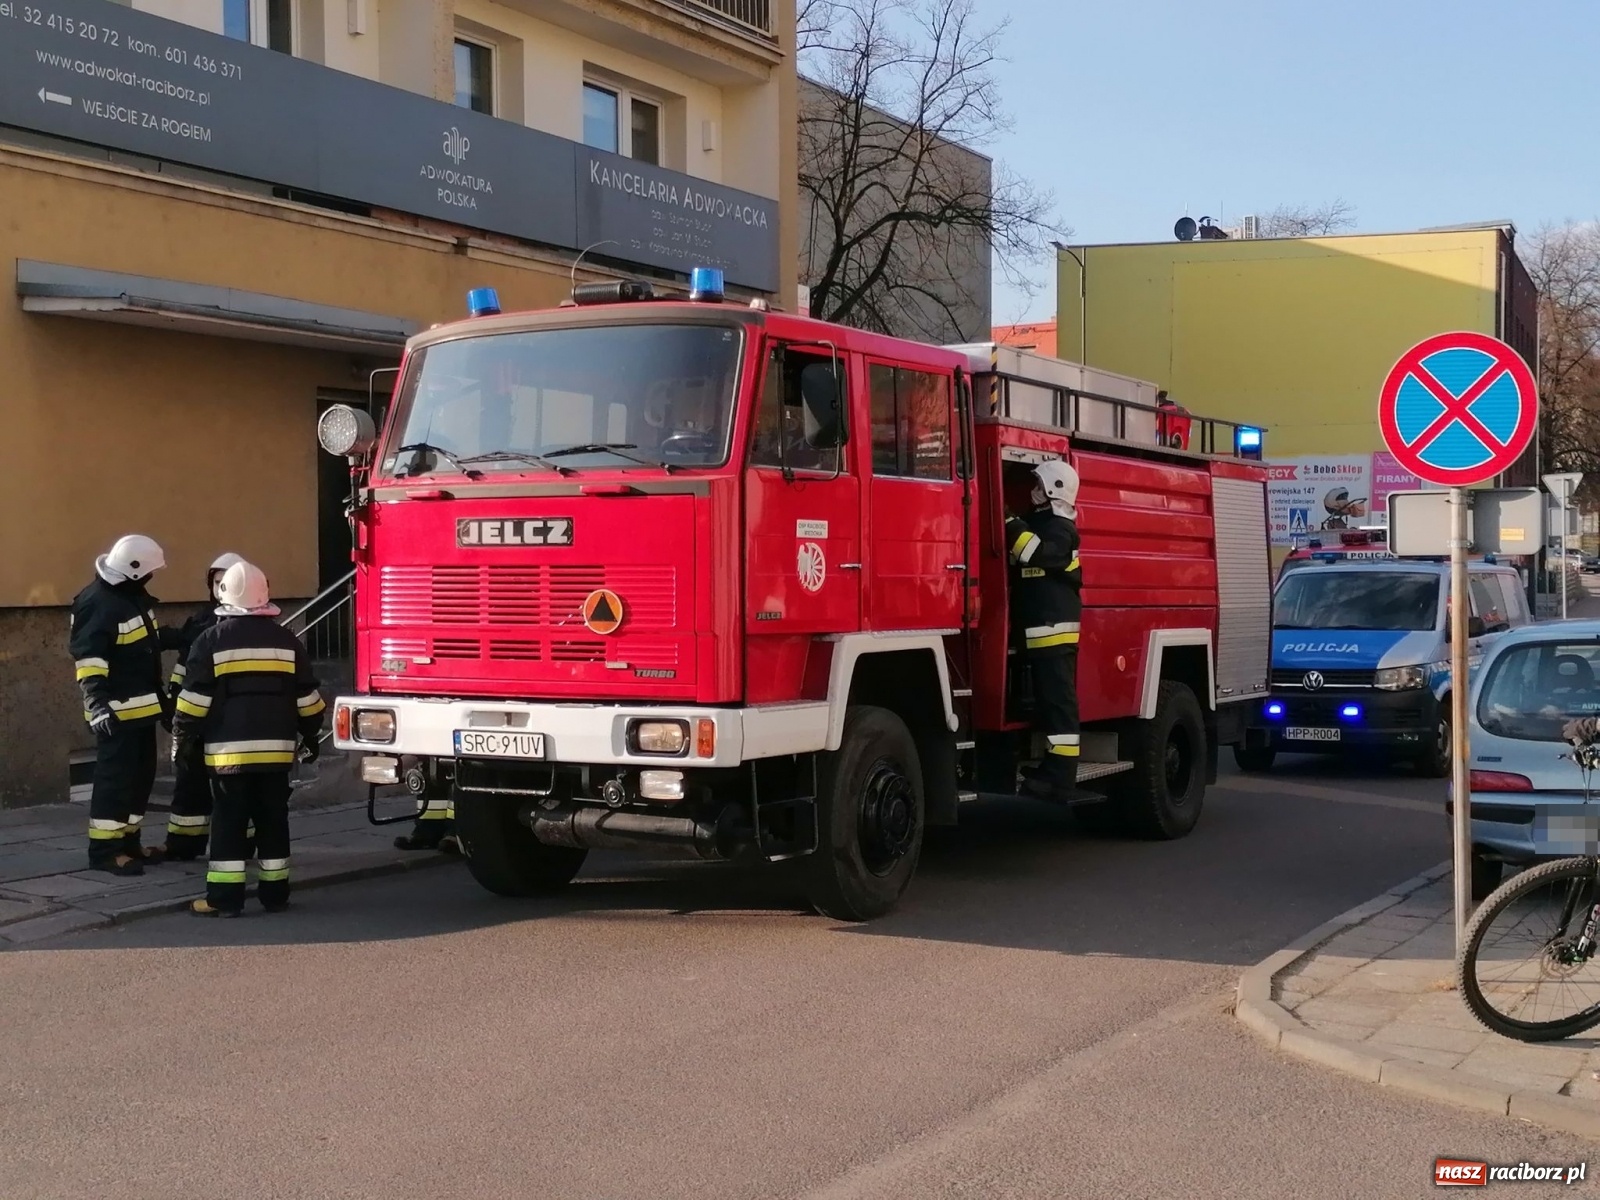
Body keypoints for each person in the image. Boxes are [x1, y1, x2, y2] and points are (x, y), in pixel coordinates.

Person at [172, 561, 324, 917]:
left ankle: (224, 900)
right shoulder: (287, 641)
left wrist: (183, 737)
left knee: (229, 822)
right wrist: (311, 732)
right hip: (276, 754)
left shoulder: (210, 640)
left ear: (225, 596)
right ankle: (275, 894)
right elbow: (307, 698)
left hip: (228, 756)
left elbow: (193, 700)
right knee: (273, 819)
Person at [70, 534, 171, 875]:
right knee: (114, 782)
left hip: (141, 711)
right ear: (134, 570)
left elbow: (148, 643)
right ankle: (105, 851)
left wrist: (188, 635)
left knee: (139, 780)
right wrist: (97, 704)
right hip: (115, 713)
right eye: (149, 572)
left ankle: (129, 843)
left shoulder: (130, 597)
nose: (152, 577)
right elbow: (90, 660)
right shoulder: (97, 603)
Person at [1004, 460, 1084, 802]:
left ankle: (1061, 777)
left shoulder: (1061, 530)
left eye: (1039, 485)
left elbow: (1033, 553)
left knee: (1058, 705)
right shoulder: (1043, 523)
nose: (1033, 490)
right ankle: (1051, 769)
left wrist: (1009, 523)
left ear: (1053, 491)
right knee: (1049, 706)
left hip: (1054, 633)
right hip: (1040, 632)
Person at [160, 552, 245, 861]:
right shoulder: (200, 621)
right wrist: (173, 699)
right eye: (217, 582)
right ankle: (183, 845)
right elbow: (185, 665)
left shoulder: (247, 624)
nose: (221, 589)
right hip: (199, 718)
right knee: (190, 783)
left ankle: (241, 845)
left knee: (234, 788)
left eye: (228, 582)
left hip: (229, 720)